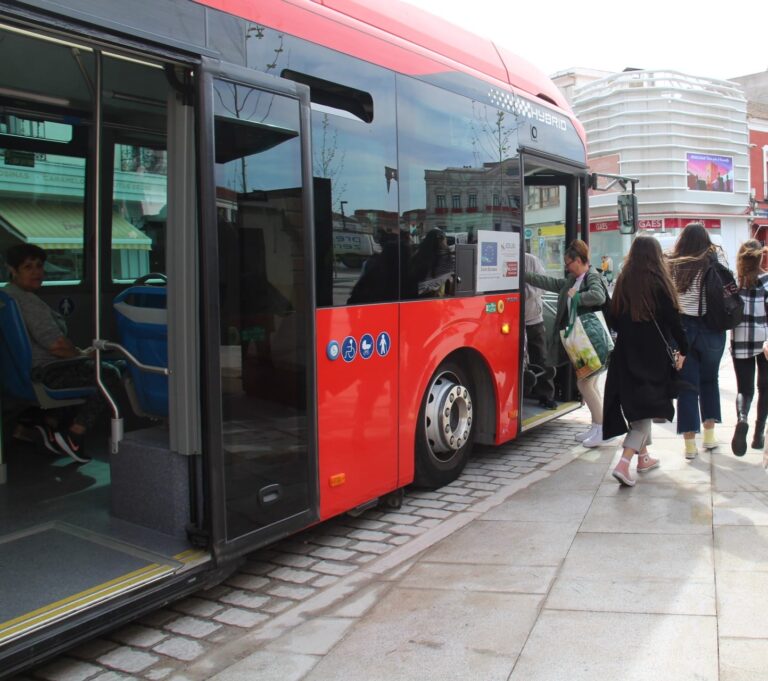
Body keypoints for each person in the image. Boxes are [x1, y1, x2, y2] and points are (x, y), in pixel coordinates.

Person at [4, 243, 121, 463]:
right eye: (28, 267)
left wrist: (79, 354)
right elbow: (56, 346)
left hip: (22, 373)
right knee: (109, 373)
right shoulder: (27, 301)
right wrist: (82, 355)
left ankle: (48, 426)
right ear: (12, 270)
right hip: (48, 372)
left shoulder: (6, 296)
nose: (37, 272)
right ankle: (73, 435)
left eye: (39, 266)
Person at [603, 236, 688, 486]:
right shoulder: (660, 282)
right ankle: (624, 462)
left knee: (638, 404)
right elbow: (674, 320)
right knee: (647, 406)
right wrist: (684, 349)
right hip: (652, 357)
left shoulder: (623, 280)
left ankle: (644, 458)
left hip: (625, 354)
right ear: (656, 255)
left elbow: (613, 319)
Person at [526, 239, 612, 447]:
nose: (567, 267)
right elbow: (551, 283)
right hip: (583, 342)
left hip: (590, 341)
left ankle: (602, 429)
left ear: (579, 260)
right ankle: (597, 427)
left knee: (584, 384)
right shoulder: (574, 278)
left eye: (568, 263)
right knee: (590, 385)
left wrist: (577, 297)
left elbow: (599, 296)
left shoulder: (591, 276)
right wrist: (525, 275)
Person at [667, 222, 728, 459]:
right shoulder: (714, 260)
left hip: (684, 330)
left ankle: (690, 446)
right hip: (712, 329)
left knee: (687, 386)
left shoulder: (673, 264)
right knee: (710, 380)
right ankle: (710, 437)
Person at [729, 239, 768, 455]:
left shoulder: (735, 284)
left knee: (744, 389)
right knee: (765, 388)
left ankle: (742, 418)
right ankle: (758, 435)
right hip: (765, 341)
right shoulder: (767, 281)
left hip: (740, 338)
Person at [524, 251, 556, 409]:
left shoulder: (531, 260)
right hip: (510, 321)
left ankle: (547, 396)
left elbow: (544, 286)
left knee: (541, 357)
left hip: (533, 319)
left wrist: (524, 293)